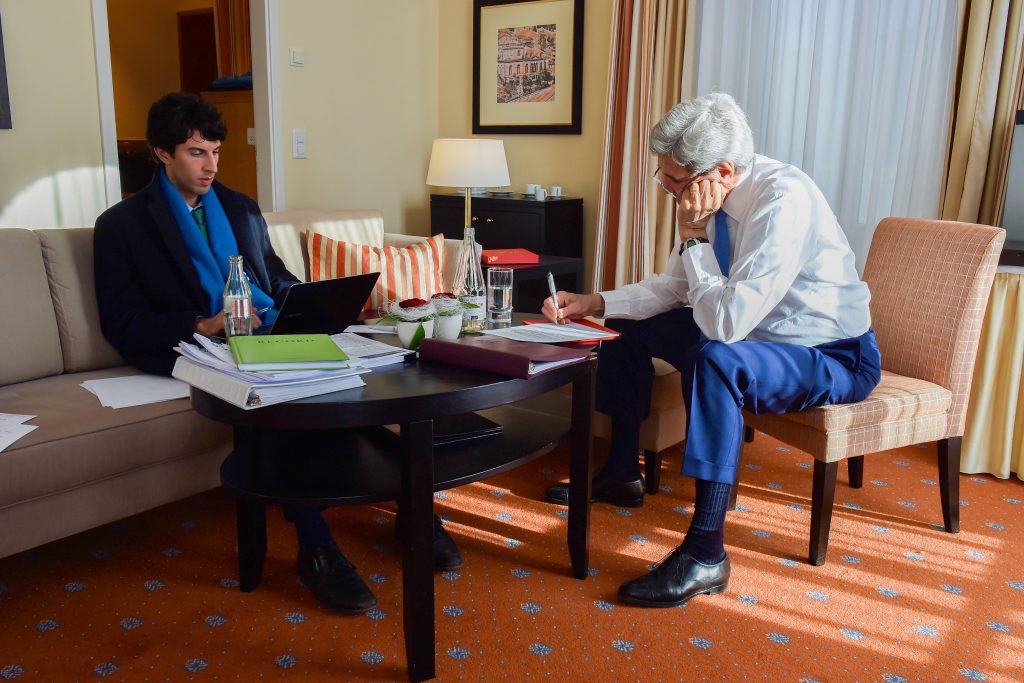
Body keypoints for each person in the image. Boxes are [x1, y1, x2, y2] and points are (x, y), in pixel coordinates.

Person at [94, 92, 462, 614]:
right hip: (198, 347)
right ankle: (315, 547)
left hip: (267, 335)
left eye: (216, 152)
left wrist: (321, 305)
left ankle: (413, 509)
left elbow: (277, 278)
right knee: (277, 406)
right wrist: (204, 323)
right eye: (197, 153)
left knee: (359, 386)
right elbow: (122, 322)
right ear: (161, 153)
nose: (211, 165)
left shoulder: (241, 209)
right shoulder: (122, 226)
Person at [542, 93, 880, 608]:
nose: (670, 192)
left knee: (715, 361)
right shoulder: (713, 198)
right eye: (665, 179)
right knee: (628, 325)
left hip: (829, 353)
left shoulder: (782, 202)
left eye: (675, 182)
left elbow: (724, 325)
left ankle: (705, 553)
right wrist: (596, 301)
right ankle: (621, 473)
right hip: (756, 337)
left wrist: (696, 236)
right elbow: (679, 288)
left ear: (723, 170)